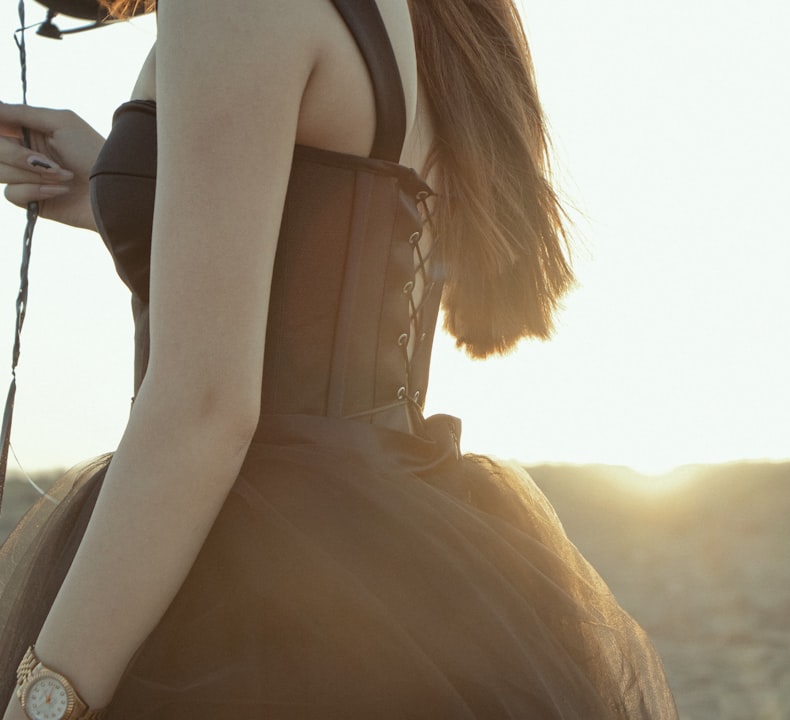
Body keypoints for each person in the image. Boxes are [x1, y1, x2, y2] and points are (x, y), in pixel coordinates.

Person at [0, 0, 678, 717]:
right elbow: (321, 227)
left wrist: (46, 697)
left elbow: (203, 411)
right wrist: (128, 188)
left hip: (243, 577)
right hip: (394, 554)